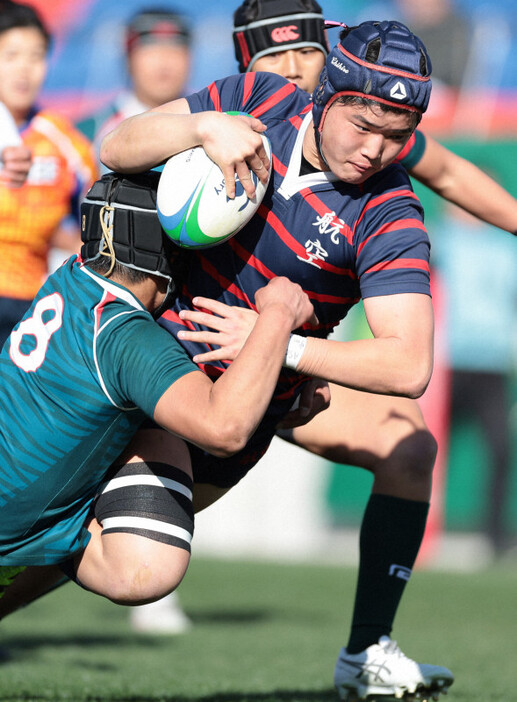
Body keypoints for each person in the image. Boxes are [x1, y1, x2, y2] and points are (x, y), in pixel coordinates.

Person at [100, 20, 454, 701]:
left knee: (408, 446)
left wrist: (279, 347)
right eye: (364, 123)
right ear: (327, 96)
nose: (376, 149)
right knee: (58, 549)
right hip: (155, 363)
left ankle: (366, 650)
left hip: (260, 393)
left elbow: (408, 365)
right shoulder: (258, 101)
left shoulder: (389, 211)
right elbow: (117, 145)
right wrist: (201, 127)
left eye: (397, 131)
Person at [0, 170, 314, 616]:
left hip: (14, 516)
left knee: (142, 558)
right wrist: (279, 318)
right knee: (149, 564)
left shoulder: (71, 279)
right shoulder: (124, 337)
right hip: (9, 529)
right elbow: (224, 429)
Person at [77, 5, 194, 633]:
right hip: (89, 317)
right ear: (127, 53)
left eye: (177, 46)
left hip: (163, 322)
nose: (165, 59)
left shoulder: (205, 138)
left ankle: (148, 557)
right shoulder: (89, 132)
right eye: (151, 46)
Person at [0, 0, 98, 346]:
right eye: (10, 55)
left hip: (31, 310)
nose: (24, 69)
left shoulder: (62, 141)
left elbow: (94, 233)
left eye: (36, 55)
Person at [77, 7, 192, 168]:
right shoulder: (86, 135)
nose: (164, 62)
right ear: (129, 59)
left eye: (175, 50)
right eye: (151, 51)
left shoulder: (213, 126)